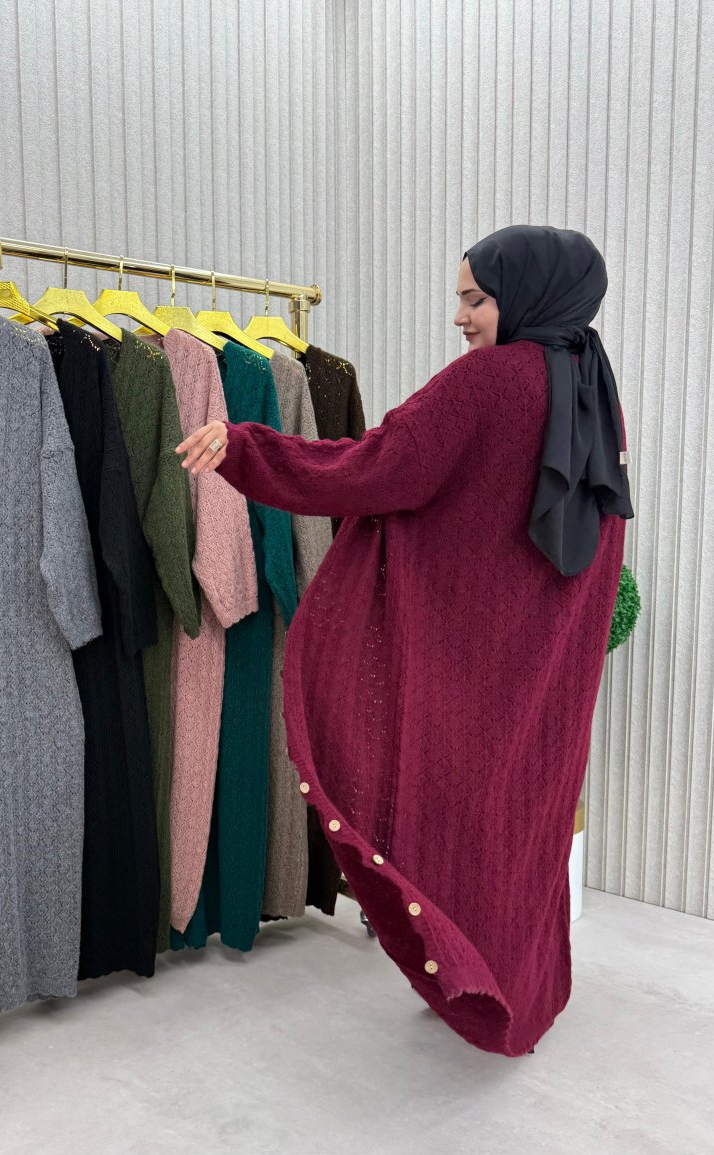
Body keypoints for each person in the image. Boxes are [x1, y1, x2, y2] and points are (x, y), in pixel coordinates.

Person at [176, 225, 634, 1057]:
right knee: (514, 821)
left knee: (439, 812)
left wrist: (248, 448)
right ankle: (513, 990)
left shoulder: (488, 380)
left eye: (476, 298)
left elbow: (375, 468)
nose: (459, 316)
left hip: (470, 660)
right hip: (540, 664)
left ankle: (472, 981)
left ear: (527, 296)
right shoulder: (592, 386)